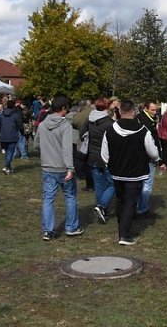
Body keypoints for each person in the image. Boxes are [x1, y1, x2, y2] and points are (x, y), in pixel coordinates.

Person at [101, 99, 160, 245]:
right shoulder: (142, 131)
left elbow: (104, 154)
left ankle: (123, 229)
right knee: (130, 202)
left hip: (117, 172)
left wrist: (111, 164)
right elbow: (153, 153)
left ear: (120, 111)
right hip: (136, 172)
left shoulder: (110, 130)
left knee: (121, 200)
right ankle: (124, 234)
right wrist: (156, 158)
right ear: (134, 112)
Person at [37, 96, 82, 240]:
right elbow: (67, 148)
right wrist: (70, 168)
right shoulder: (65, 126)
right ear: (63, 108)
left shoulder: (42, 125)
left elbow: (36, 144)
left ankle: (48, 230)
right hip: (63, 167)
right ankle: (71, 227)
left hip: (47, 166)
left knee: (48, 198)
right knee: (70, 196)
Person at [86, 98, 116, 224]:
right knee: (114, 183)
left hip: (93, 156)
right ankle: (102, 206)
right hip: (106, 156)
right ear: (107, 107)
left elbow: (83, 133)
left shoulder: (90, 120)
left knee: (99, 185)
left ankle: (102, 209)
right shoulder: (109, 123)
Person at [136, 101, 163, 217]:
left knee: (139, 182)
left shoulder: (140, 118)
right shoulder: (146, 122)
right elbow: (152, 141)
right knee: (147, 184)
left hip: (139, 155)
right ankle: (142, 208)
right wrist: (157, 157)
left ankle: (136, 206)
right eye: (152, 110)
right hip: (147, 155)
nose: (155, 112)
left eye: (156, 110)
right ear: (146, 108)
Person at [0, 100, 23, 175]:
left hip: (3, 136)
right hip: (12, 135)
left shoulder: (1, 115)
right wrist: (20, 130)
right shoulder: (16, 115)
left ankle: (8, 167)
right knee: (10, 152)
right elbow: (20, 125)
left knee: (7, 152)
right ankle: (6, 166)